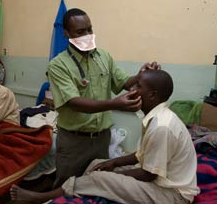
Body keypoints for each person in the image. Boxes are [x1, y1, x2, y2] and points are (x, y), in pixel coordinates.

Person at [10, 69, 199, 204]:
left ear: (152, 95)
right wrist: (114, 163)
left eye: (138, 86)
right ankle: (77, 189)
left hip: (172, 195)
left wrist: (115, 176)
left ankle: (41, 197)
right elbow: (141, 154)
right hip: (157, 178)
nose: (132, 89)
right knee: (97, 164)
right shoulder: (155, 117)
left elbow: (148, 174)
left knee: (101, 178)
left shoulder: (161, 126)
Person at [47, 8, 160, 188]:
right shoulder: (58, 65)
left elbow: (124, 82)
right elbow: (74, 102)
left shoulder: (103, 57)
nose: (87, 35)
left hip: (102, 139)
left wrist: (140, 76)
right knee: (66, 187)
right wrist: (114, 103)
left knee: (97, 186)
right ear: (66, 33)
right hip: (74, 141)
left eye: (89, 29)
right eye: (80, 32)